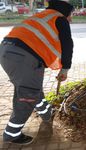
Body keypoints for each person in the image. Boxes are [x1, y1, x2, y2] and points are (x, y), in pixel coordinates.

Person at [0, 0, 74, 145]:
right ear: (65, 12)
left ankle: (47, 113)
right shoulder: (60, 19)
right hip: (24, 58)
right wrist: (65, 69)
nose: (71, 19)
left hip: (7, 51)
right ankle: (11, 134)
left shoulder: (43, 15)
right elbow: (68, 45)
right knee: (27, 96)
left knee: (32, 89)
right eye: (71, 15)